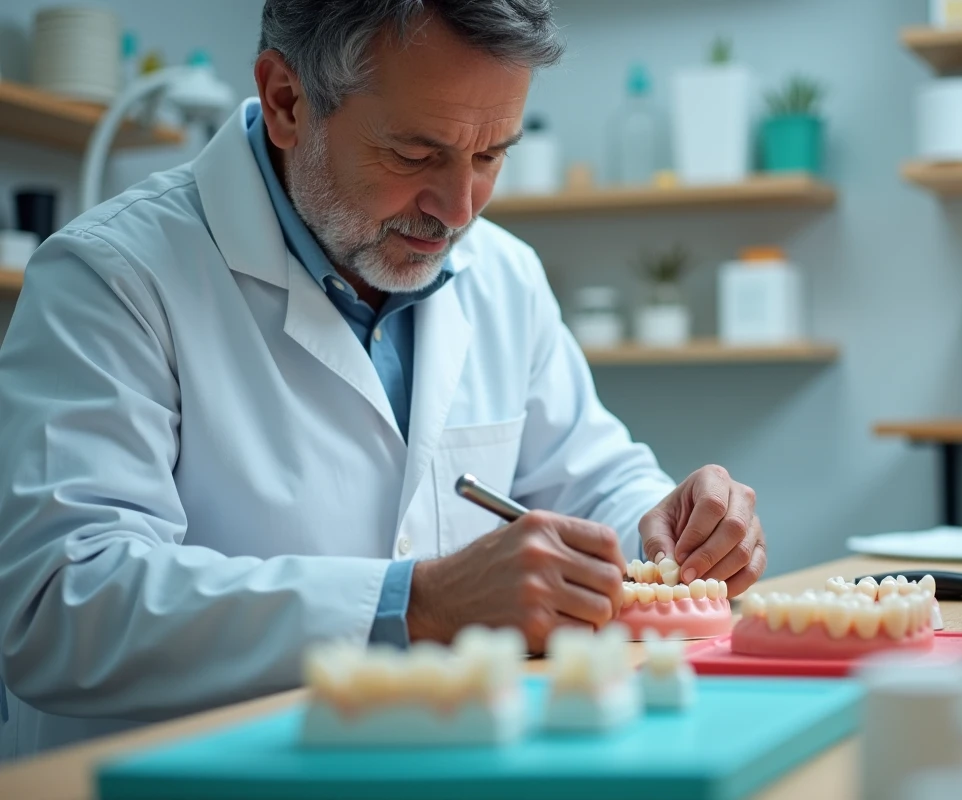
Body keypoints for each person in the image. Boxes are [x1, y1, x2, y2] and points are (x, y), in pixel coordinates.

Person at [0, 0, 765, 759]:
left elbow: (593, 480)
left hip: (445, 758)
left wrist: (672, 528)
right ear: (286, 101)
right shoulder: (111, 277)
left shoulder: (504, 275)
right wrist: (413, 606)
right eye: (415, 155)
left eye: (493, 154)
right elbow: (59, 604)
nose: (458, 209)